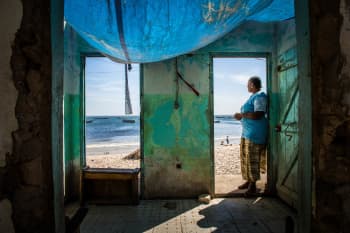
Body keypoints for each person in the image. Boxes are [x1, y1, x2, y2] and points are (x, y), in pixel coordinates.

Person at [233, 76, 268, 195]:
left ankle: (253, 186)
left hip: (255, 133)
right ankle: (248, 181)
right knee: (246, 159)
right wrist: (242, 117)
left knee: (253, 160)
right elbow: (249, 114)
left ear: (252, 84)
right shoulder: (253, 97)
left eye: (248, 84)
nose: (247, 86)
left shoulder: (260, 96)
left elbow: (259, 114)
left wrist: (242, 115)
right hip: (247, 133)